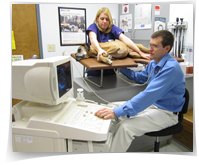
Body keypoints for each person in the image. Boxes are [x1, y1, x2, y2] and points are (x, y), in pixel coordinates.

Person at [94, 30, 186, 152]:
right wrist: (120, 67)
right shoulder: (154, 63)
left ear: (167, 48)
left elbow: (148, 96)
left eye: (155, 46)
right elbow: (141, 77)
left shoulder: (171, 69)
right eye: (150, 45)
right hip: (153, 105)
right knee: (109, 108)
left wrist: (118, 112)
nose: (150, 49)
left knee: (125, 127)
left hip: (167, 113)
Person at [86, 7, 150, 76]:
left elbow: (125, 39)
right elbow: (93, 39)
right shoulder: (93, 27)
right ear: (97, 19)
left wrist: (140, 52)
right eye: (102, 19)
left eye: (107, 19)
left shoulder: (112, 28)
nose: (104, 21)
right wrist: (99, 50)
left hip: (110, 70)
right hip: (95, 70)